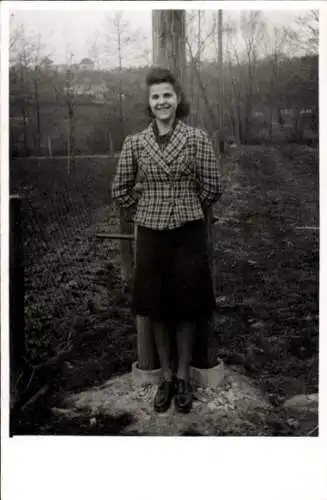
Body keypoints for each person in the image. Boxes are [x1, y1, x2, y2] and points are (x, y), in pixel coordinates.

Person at [112, 67, 221, 414]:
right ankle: (166, 377)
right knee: (156, 307)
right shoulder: (135, 143)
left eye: (167, 96)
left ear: (177, 100)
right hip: (151, 235)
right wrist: (147, 207)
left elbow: (212, 187)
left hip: (188, 233)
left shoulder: (197, 139)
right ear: (149, 103)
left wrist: (186, 207)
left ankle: (185, 376)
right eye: (156, 97)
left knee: (187, 307)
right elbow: (120, 189)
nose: (162, 102)